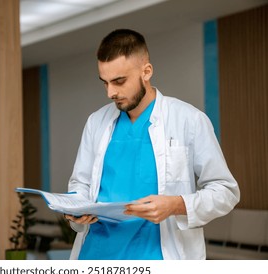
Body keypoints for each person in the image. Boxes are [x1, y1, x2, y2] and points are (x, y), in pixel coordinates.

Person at [64, 29, 240, 260]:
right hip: (96, 255)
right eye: (105, 83)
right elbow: (81, 181)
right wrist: (77, 207)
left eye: (119, 81)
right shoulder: (96, 122)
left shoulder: (189, 119)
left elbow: (225, 191)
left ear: (146, 71)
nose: (110, 92)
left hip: (157, 256)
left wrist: (176, 205)